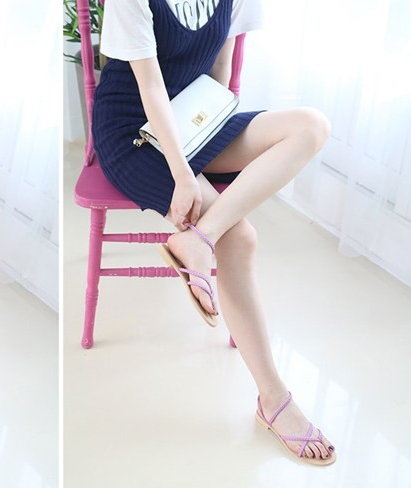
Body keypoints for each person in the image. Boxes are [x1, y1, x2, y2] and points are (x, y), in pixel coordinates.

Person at [92, 0, 336, 465]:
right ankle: (273, 398)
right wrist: (184, 174)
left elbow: (219, 69)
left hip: (191, 119)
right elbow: (150, 86)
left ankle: (199, 238)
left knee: (312, 126)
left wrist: (205, 138)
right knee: (240, 238)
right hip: (133, 132)